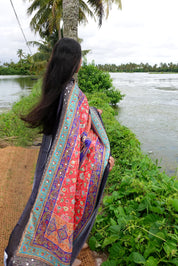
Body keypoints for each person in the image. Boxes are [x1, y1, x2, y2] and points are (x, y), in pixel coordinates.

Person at [4, 38, 114, 266]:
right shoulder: (74, 96)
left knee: (41, 205)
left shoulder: (57, 88)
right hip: (70, 167)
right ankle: (58, 256)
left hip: (52, 163)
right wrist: (103, 158)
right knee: (67, 209)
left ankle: (63, 248)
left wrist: (92, 112)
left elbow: (69, 128)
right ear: (77, 62)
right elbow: (81, 139)